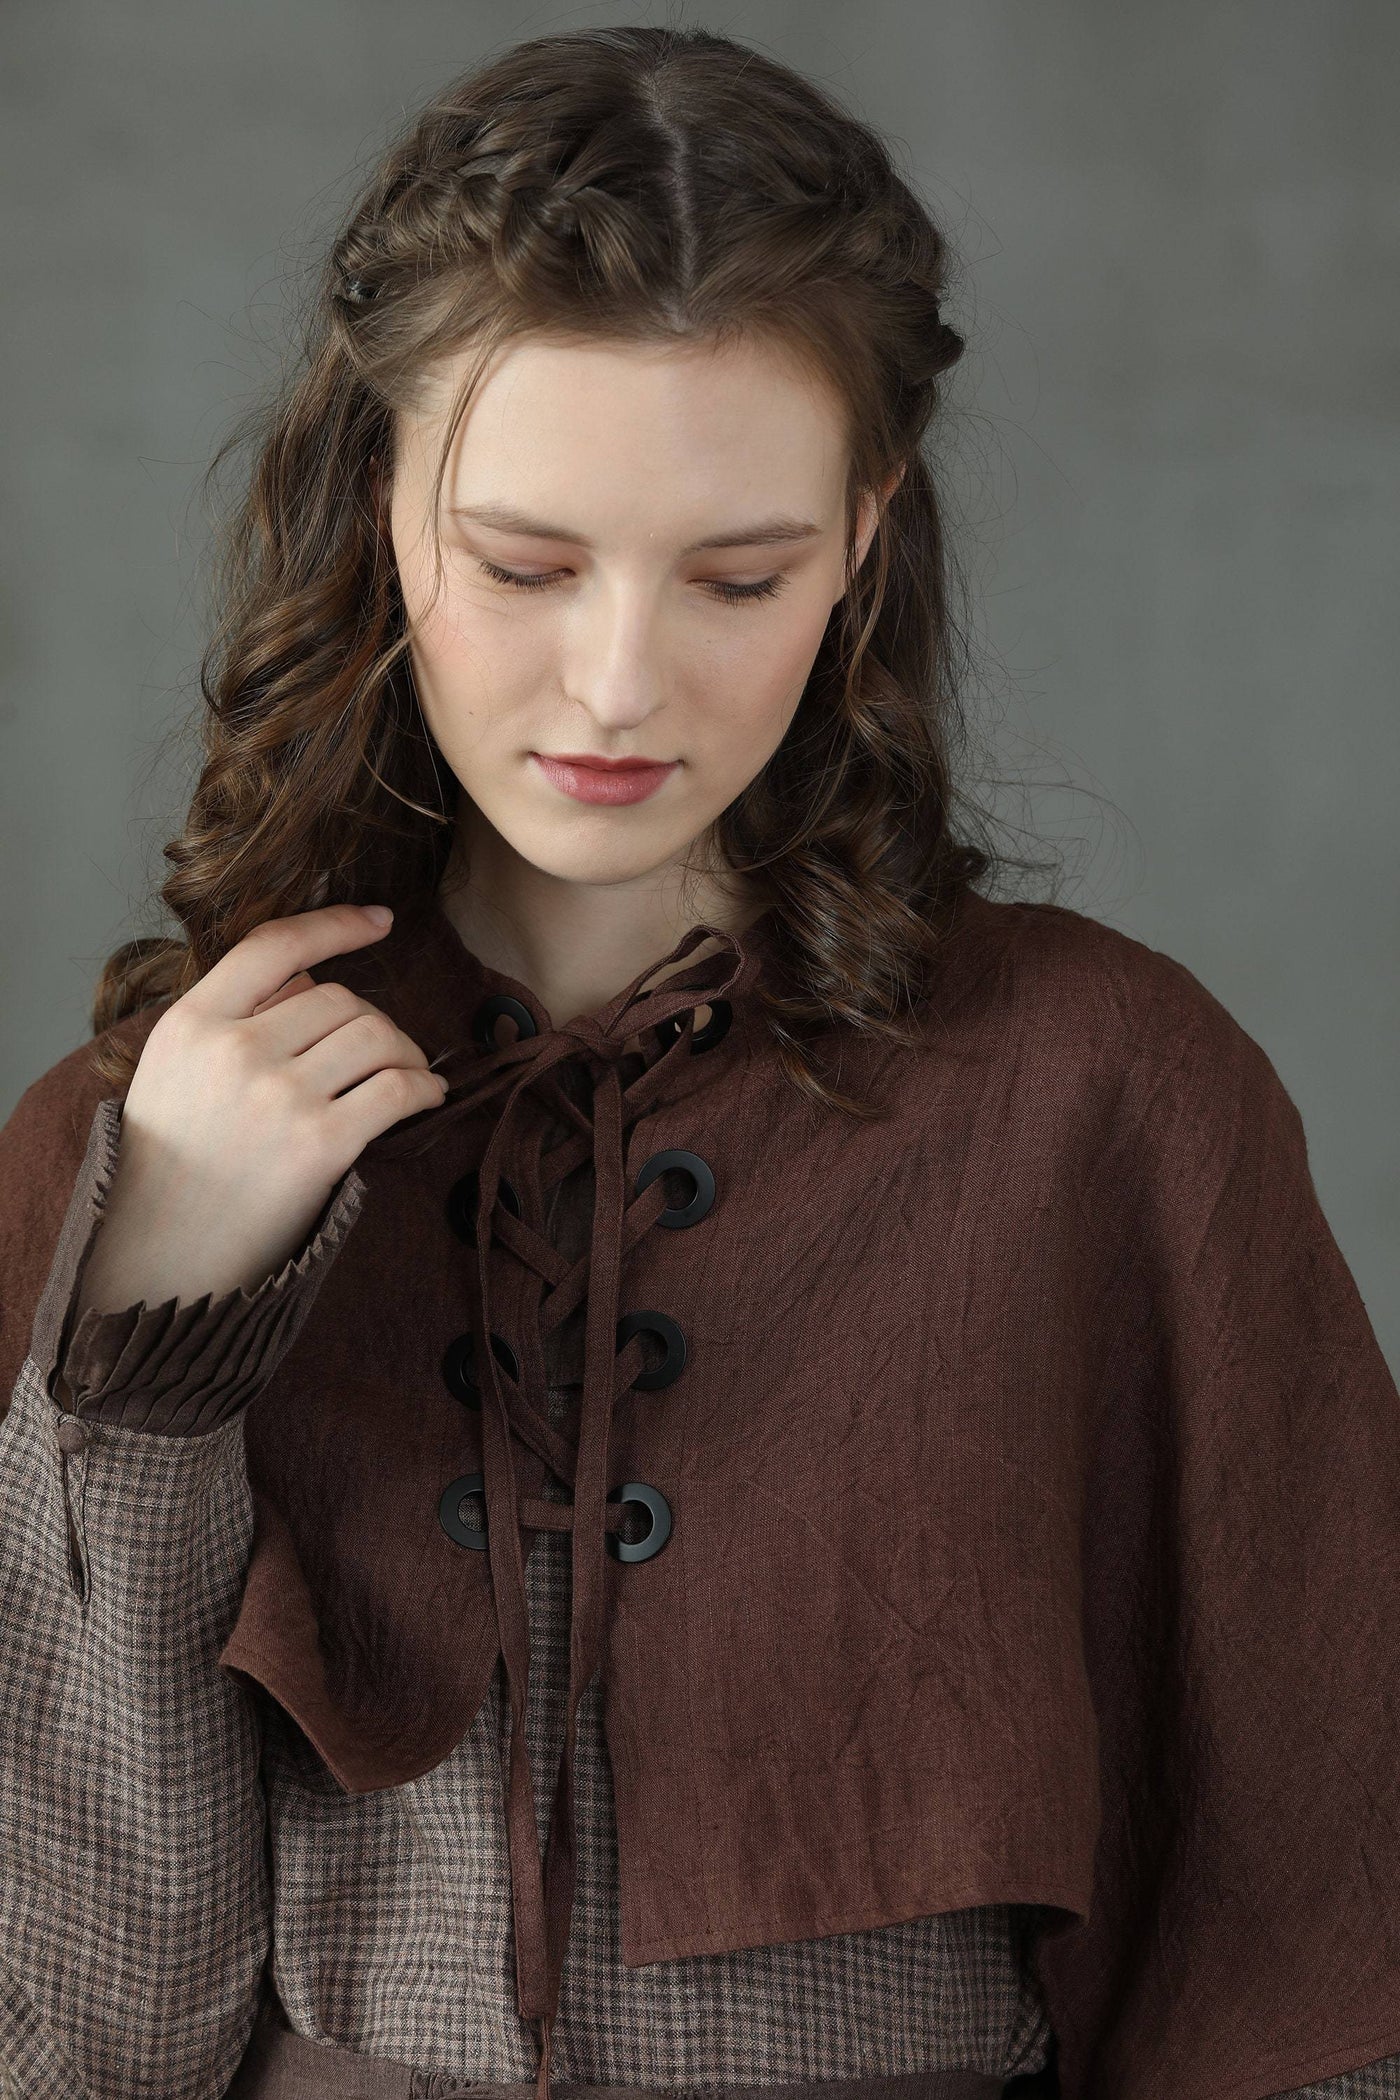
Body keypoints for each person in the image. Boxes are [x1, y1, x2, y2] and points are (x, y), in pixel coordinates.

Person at [2, 25, 1398, 2100]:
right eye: (524, 564)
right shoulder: (132, 1144)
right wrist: (149, 1356)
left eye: (737, 575)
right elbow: (95, 2035)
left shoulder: (1113, 1097)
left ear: (862, 537)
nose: (618, 683)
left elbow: (1313, 1953)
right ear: (381, 507)